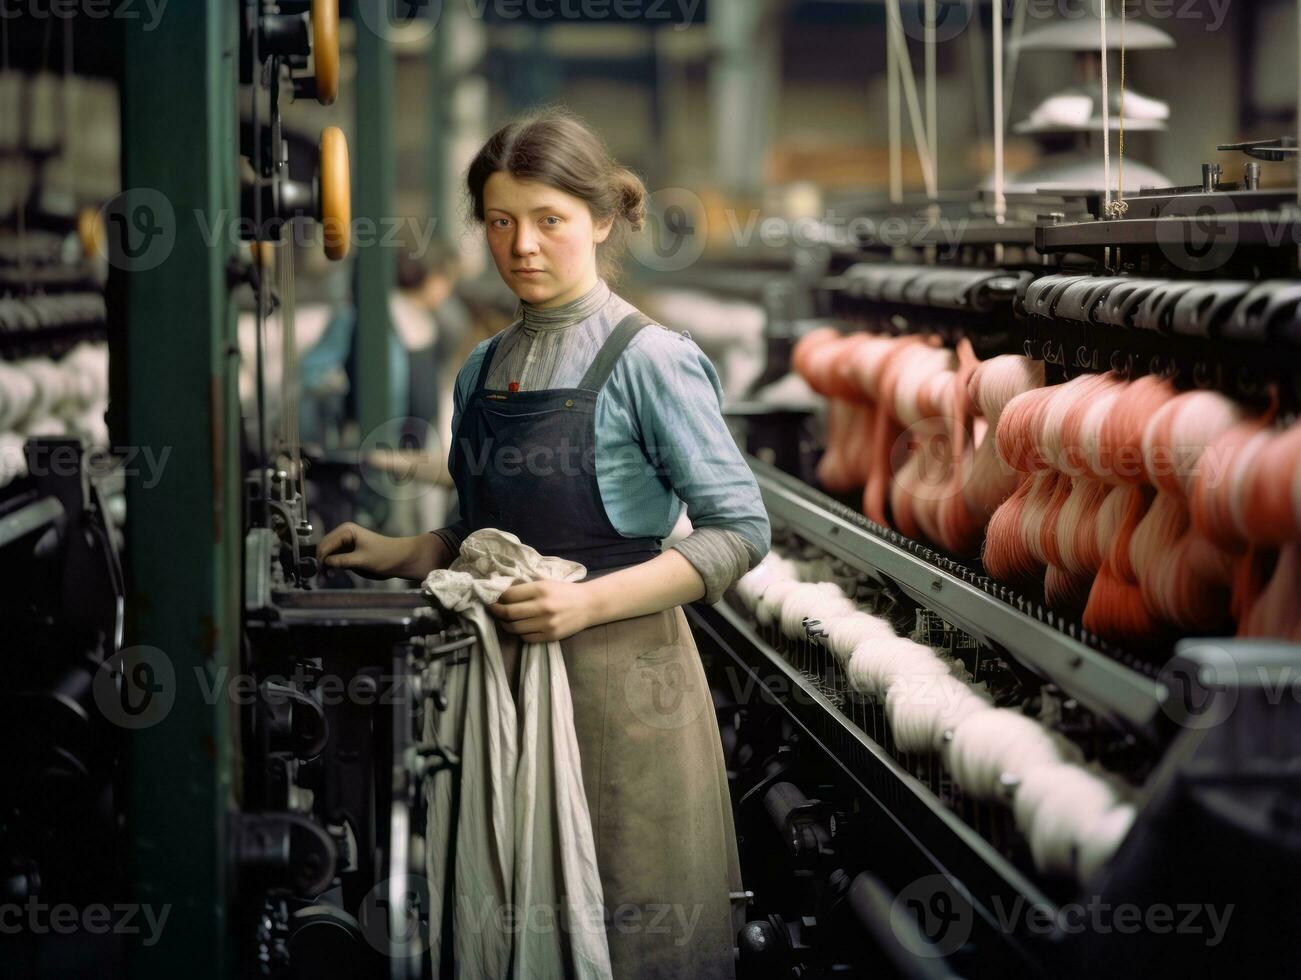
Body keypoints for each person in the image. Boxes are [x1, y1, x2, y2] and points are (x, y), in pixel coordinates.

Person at [318, 108, 770, 979]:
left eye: (549, 220)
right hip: (502, 681)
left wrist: (584, 603)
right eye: (499, 221)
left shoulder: (650, 358)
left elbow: (738, 531)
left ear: (600, 222)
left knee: (630, 923)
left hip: (624, 691)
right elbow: (483, 533)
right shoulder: (481, 368)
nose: (521, 245)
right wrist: (397, 549)